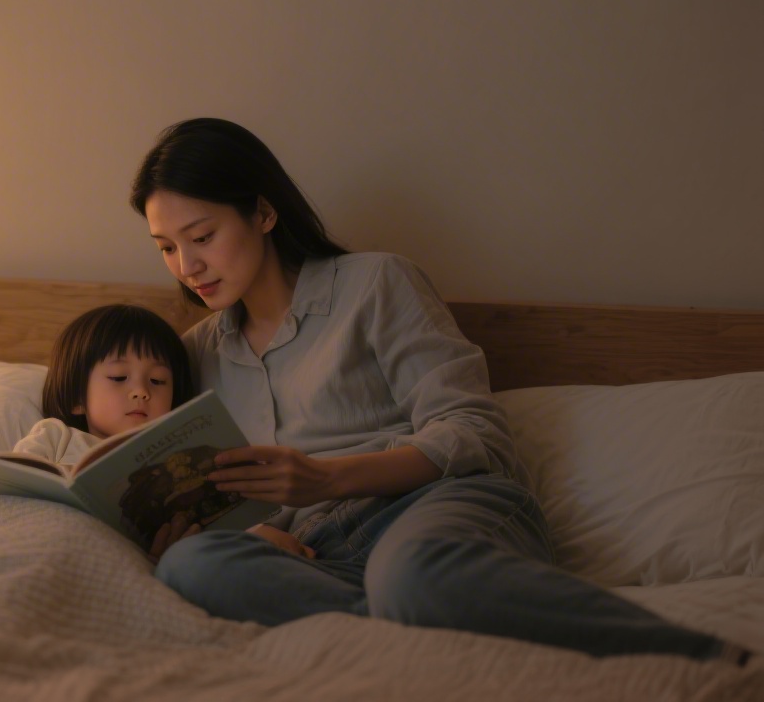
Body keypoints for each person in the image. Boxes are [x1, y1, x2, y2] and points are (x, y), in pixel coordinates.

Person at [128, 117, 753, 665]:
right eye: (166, 248)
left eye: (201, 237)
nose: (186, 266)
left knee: (412, 573)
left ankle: (709, 658)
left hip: (433, 508)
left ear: (263, 213)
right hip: (316, 555)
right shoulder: (195, 354)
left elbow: (475, 432)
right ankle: (411, 622)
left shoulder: (375, 283)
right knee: (188, 565)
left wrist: (326, 478)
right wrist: (224, 534)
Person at [10, 304, 196, 478]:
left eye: (157, 380)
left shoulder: (178, 457)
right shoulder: (55, 438)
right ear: (77, 397)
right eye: (119, 377)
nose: (141, 391)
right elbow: (12, 484)